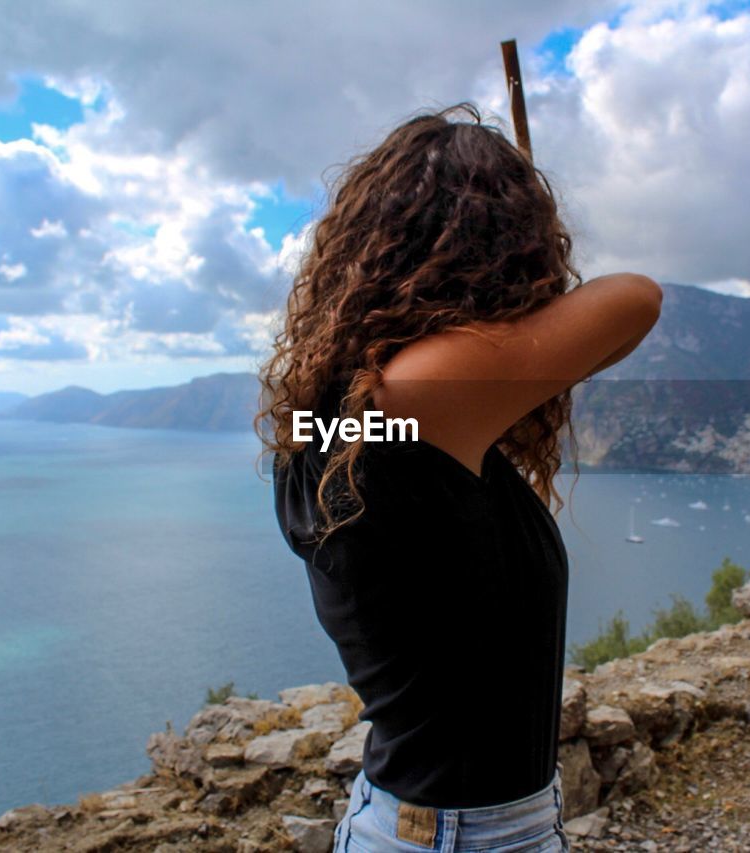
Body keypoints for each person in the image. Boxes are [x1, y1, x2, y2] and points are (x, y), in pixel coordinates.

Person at [255, 101, 661, 852]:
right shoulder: (420, 399)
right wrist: (547, 305)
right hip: (468, 836)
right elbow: (636, 300)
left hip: (418, 824)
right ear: (498, 254)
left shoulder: (337, 424)